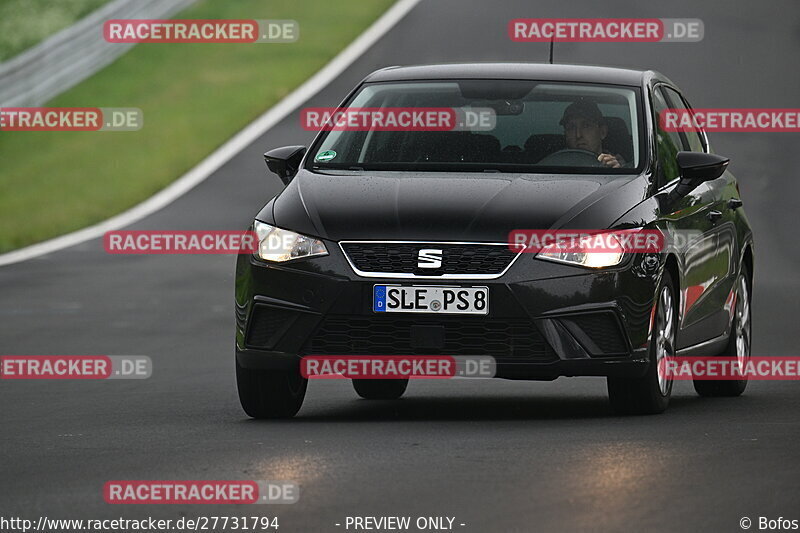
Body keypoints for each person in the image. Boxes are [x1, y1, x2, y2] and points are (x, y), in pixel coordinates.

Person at [559, 99, 623, 168]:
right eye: (571, 128)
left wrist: (616, 171)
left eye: (586, 126)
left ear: (602, 132)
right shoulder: (554, 164)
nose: (578, 135)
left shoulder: (624, 167)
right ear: (565, 134)